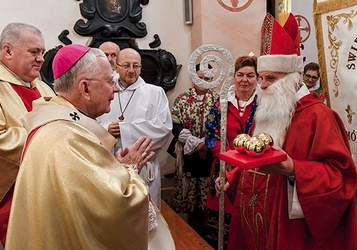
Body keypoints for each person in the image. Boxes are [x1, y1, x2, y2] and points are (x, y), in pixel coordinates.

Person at [219, 13, 357, 249]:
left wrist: (295, 169)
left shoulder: (320, 116)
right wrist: (232, 179)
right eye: (261, 77)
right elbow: (257, 159)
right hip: (256, 215)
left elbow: (341, 179)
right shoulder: (271, 110)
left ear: (293, 79)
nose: (261, 85)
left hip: (292, 229)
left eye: (270, 78)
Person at [5, 44, 158, 249]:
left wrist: (114, 169)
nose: (115, 89)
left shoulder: (62, 123)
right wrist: (130, 170)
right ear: (85, 88)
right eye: (109, 81)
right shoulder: (68, 137)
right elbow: (116, 206)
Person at [0, 22, 55, 247]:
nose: (41, 58)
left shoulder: (44, 88)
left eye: (42, 52)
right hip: (12, 195)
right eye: (34, 52)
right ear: (8, 51)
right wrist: (46, 137)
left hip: (46, 190)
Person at [97, 48, 172, 208]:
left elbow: (163, 128)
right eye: (126, 65)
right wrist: (107, 129)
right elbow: (91, 121)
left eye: (136, 66)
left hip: (143, 167)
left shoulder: (155, 92)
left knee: (145, 216)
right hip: (110, 167)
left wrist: (124, 130)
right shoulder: (105, 91)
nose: (131, 70)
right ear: (116, 67)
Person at [204, 55, 259, 248]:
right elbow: (210, 136)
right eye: (240, 74)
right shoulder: (221, 104)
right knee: (222, 225)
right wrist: (226, 156)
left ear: (257, 78)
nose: (245, 79)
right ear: (234, 77)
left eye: (250, 75)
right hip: (223, 166)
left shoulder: (264, 105)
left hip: (255, 168)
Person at [170, 63, 218, 236]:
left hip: (211, 153)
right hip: (187, 153)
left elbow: (223, 127)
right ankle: (191, 234)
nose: (203, 81)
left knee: (207, 195)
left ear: (212, 79)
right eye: (199, 78)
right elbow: (174, 124)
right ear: (193, 77)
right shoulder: (182, 99)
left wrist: (206, 143)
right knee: (189, 194)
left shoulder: (218, 100)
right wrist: (191, 141)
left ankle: (206, 234)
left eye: (207, 78)